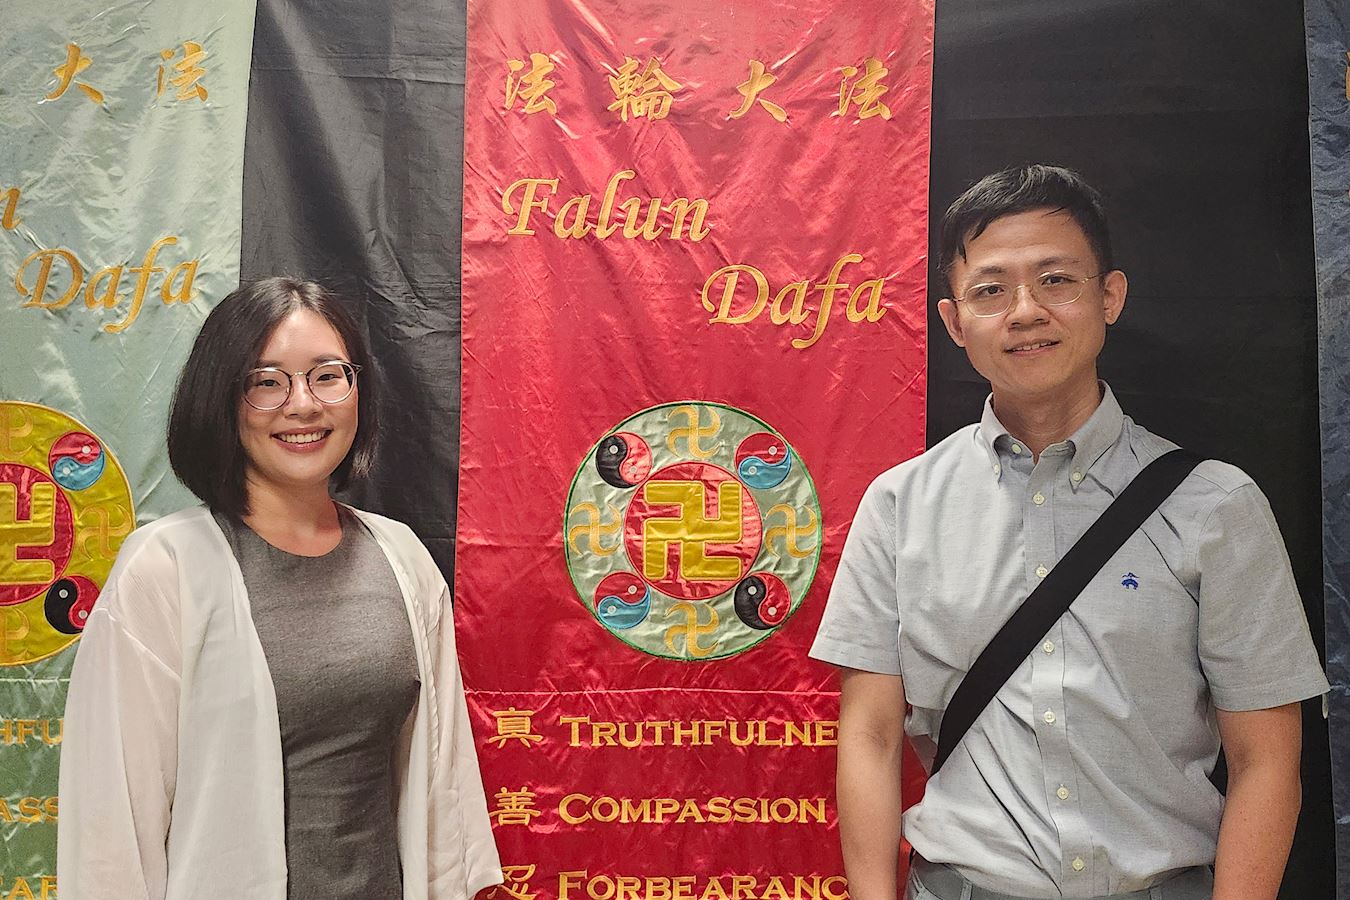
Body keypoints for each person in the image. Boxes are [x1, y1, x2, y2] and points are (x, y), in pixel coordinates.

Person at [810, 166, 1329, 900]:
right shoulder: (900, 506)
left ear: (1109, 295)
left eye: (1056, 280)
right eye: (991, 290)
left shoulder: (1216, 506)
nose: (1026, 312)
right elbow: (869, 736)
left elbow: (1267, 761)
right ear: (954, 322)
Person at [58, 278, 502, 900]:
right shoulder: (164, 567)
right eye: (267, 382)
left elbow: (443, 788)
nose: (303, 405)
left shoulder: (402, 557)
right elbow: (111, 824)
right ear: (221, 399)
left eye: (327, 376)